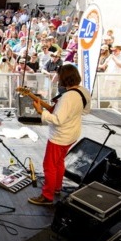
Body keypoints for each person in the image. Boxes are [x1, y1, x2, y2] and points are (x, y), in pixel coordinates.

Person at [28, 65, 91, 205]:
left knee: (49, 165)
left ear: (64, 78)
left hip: (60, 136)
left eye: (59, 76)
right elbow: (85, 111)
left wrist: (40, 111)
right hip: (72, 133)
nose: (57, 79)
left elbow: (58, 119)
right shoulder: (83, 91)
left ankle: (47, 196)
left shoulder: (67, 97)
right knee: (59, 162)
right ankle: (56, 187)